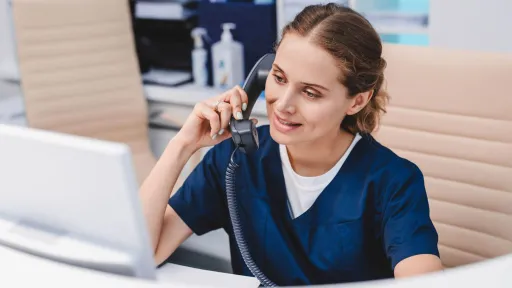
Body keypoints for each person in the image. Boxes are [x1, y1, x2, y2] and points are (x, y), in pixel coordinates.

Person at [139, 3, 443, 286]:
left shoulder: (394, 181)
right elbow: (143, 252)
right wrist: (183, 144)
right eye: (279, 78)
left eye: (310, 92)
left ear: (357, 100)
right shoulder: (234, 160)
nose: (283, 105)